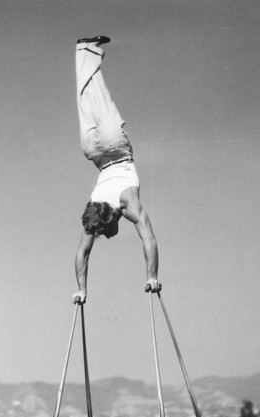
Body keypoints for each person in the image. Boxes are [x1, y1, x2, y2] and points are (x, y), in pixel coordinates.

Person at [72, 36, 161, 304]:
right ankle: (83, 50)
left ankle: (85, 51)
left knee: (94, 96)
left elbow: (147, 234)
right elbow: (84, 252)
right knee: (88, 99)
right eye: (102, 233)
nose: (104, 236)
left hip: (113, 147)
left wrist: (152, 276)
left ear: (110, 218)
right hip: (95, 152)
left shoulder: (126, 203)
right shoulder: (96, 211)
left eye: (102, 233)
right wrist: (81, 290)